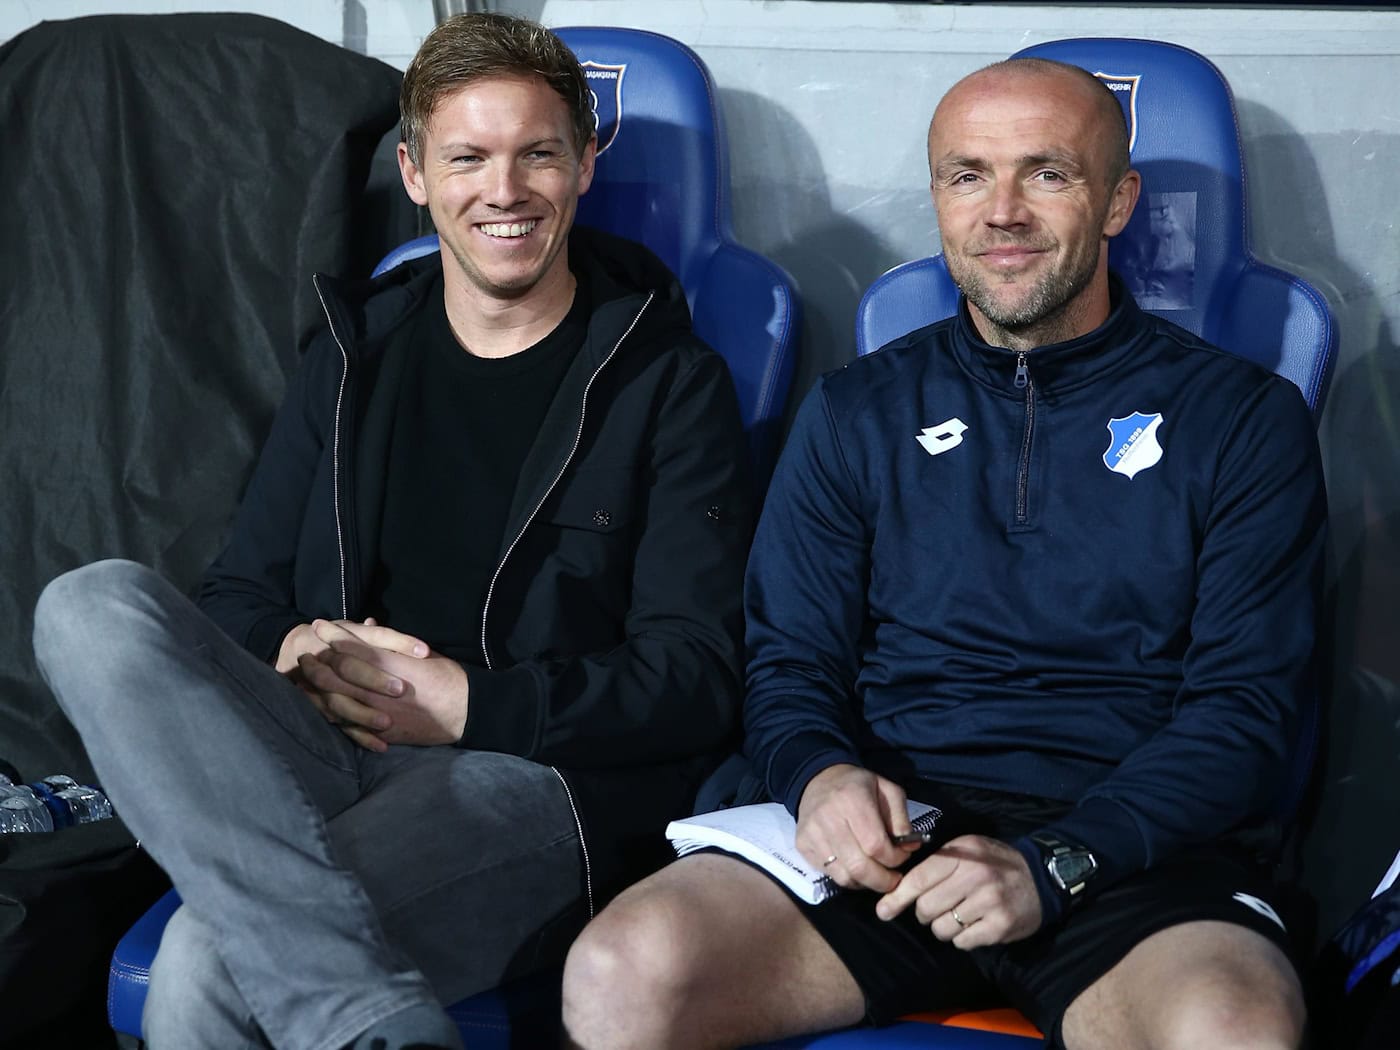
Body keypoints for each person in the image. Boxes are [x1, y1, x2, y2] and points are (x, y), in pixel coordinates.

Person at [561, 57, 1326, 1050]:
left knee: (1233, 1031)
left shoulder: (1240, 419)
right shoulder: (856, 409)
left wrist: (1056, 861)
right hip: (892, 838)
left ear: (1116, 201)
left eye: (1044, 173)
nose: (999, 210)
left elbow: (1243, 713)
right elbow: (787, 662)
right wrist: (818, 776)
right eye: (966, 175)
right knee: (620, 974)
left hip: (1126, 851)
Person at [32, 12, 751, 1050]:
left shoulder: (668, 381)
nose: (501, 192)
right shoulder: (354, 349)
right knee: (87, 603)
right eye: (467, 157)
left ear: (584, 164)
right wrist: (298, 651)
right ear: (415, 173)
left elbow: (697, 677)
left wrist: (469, 703)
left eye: (536, 153)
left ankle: (364, 1020)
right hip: (318, 736)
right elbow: (238, 594)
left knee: (203, 968)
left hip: (525, 779)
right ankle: (378, 1024)